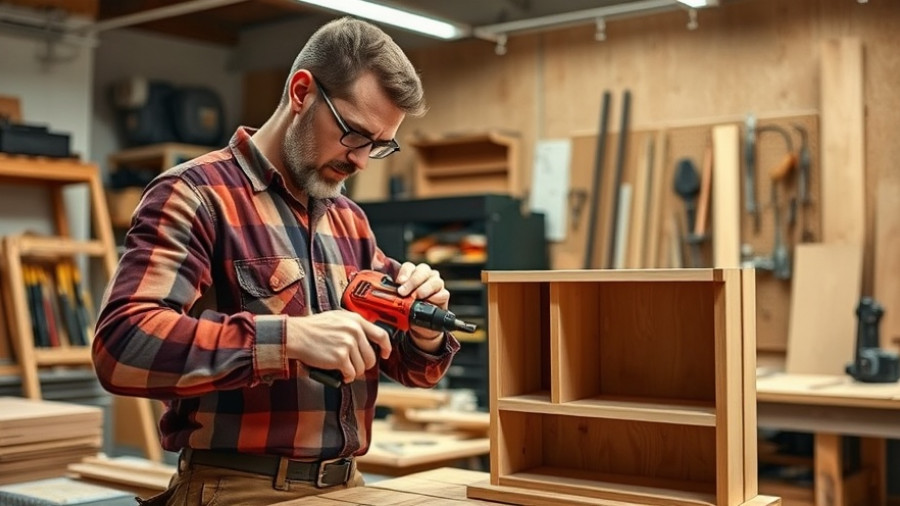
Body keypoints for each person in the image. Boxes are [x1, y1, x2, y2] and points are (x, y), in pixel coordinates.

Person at [92, 16, 460, 505]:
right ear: (302, 92)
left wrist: (424, 328)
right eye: (354, 134)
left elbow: (416, 369)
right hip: (237, 488)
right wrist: (287, 340)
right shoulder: (195, 195)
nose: (362, 161)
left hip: (347, 486)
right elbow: (122, 346)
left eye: (379, 145)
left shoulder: (349, 220)